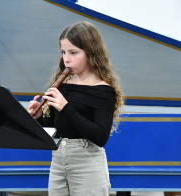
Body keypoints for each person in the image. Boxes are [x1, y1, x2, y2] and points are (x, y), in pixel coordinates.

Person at [28, 21, 124, 196]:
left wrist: (66, 107)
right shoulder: (63, 84)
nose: (66, 59)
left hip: (87, 164)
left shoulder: (104, 90)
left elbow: (100, 137)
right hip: (58, 161)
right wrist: (40, 118)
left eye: (73, 52)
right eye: (63, 52)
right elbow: (55, 129)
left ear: (90, 52)